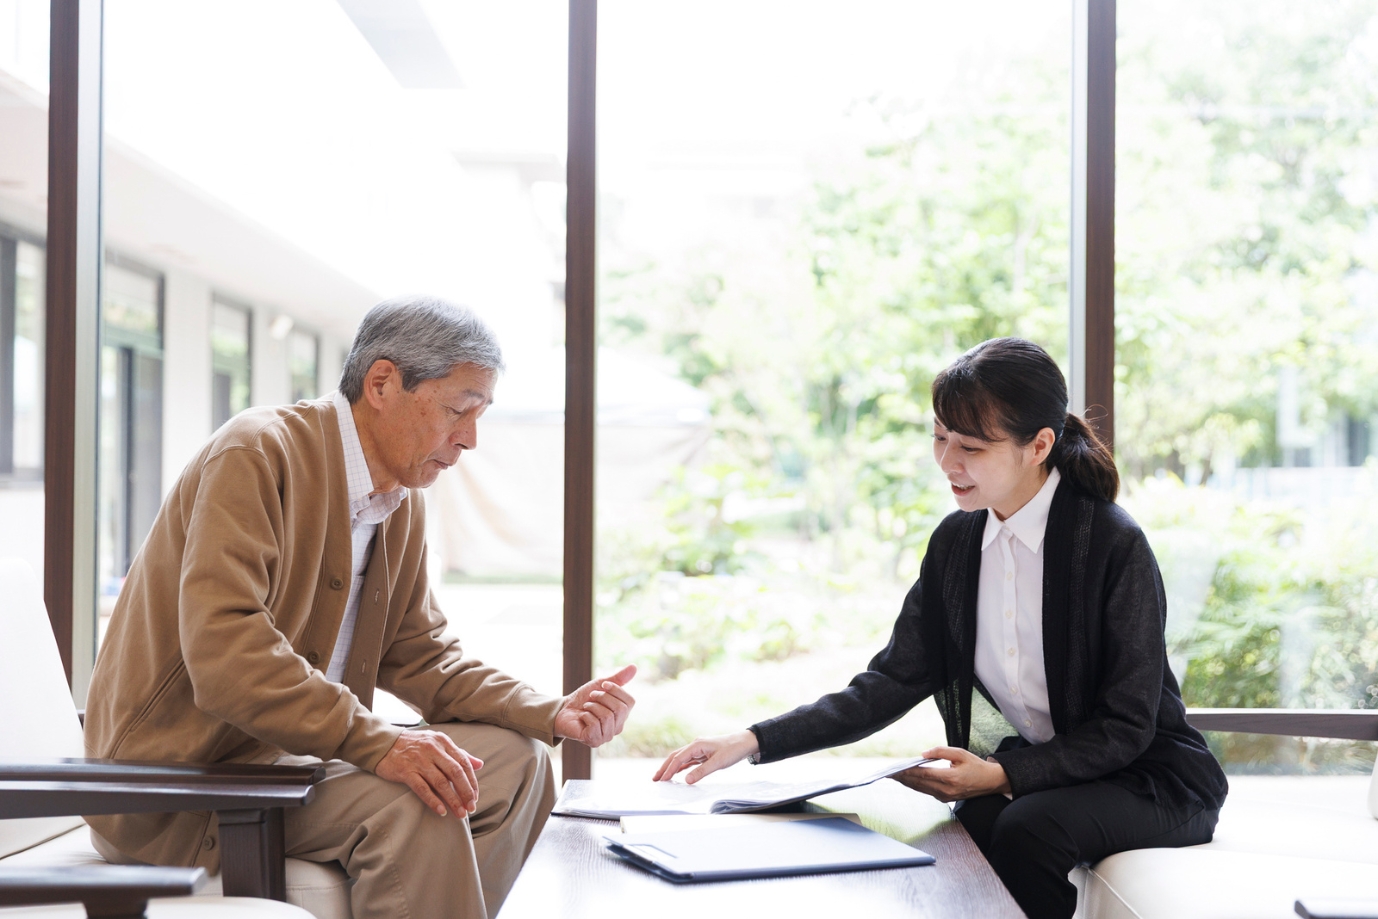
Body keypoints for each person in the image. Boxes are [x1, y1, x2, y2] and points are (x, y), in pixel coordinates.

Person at [85, 295, 637, 919]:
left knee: (518, 763)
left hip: (292, 767)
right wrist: (380, 745)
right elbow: (226, 655)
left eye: (479, 416)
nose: (470, 439)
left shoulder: (399, 501)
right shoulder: (256, 453)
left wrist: (550, 711)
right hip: (178, 792)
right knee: (422, 798)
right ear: (382, 383)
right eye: (458, 410)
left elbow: (423, 658)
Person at [655, 337, 1227, 919]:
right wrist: (750, 740)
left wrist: (1002, 773)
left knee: (1028, 828)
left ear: (1039, 446)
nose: (949, 462)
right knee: (962, 831)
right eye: (939, 438)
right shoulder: (956, 544)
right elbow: (889, 682)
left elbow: (1127, 724)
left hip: (1152, 777)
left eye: (971, 447)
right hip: (1052, 771)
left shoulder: (1110, 542)